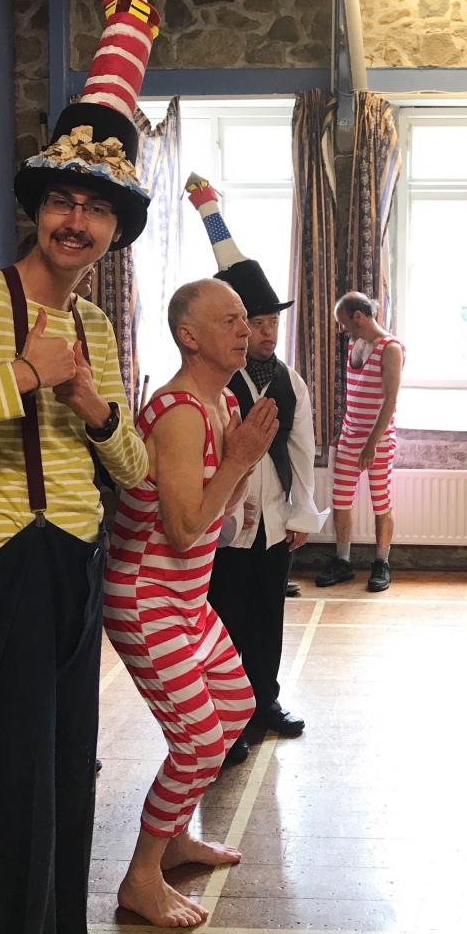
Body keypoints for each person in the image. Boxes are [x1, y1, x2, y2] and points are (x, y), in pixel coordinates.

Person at [0, 0, 162, 934]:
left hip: (74, 566)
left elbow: (128, 462)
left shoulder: (101, 327)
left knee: (72, 784)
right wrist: (21, 376)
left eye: (100, 208)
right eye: (66, 199)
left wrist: (87, 399)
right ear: (41, 205)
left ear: (115, 230)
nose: (79, 219)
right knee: (2, 803)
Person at [103, 278, 278, 928]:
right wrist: (236, 460)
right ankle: (140, 876)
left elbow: (214, 516)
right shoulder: (179, 411)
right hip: (145, 596)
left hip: (186, 598)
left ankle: (173, 839)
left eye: (246, 319)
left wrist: (239, 466)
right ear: (189, 335)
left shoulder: (224, 399)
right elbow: (179, 530)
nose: (245, 329)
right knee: (199, 739)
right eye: (230, 319)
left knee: (234, 707)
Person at [186, 173, 328, 764]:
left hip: (273, 524)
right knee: (227, 623)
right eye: (253, 323)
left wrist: (301, 513)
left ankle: (264, 702)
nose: (264, 333)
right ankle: (232, 717)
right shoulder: (216, 380)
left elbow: (302, 447)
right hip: (226, 527)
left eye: (272, 323)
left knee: (268, 618)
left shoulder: (290, 380)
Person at [315, 291, 405, 593]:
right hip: (350, 437)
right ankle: (343, 561)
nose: (342, 329)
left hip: (376, 442)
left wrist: (371, 444)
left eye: (344, 323)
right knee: (340, 501)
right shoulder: (355, 344)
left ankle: (381, 562)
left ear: (358, 317)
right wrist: (343, 433)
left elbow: (390, 401)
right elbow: (354, 393)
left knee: (382, 502)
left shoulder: (390, 348)